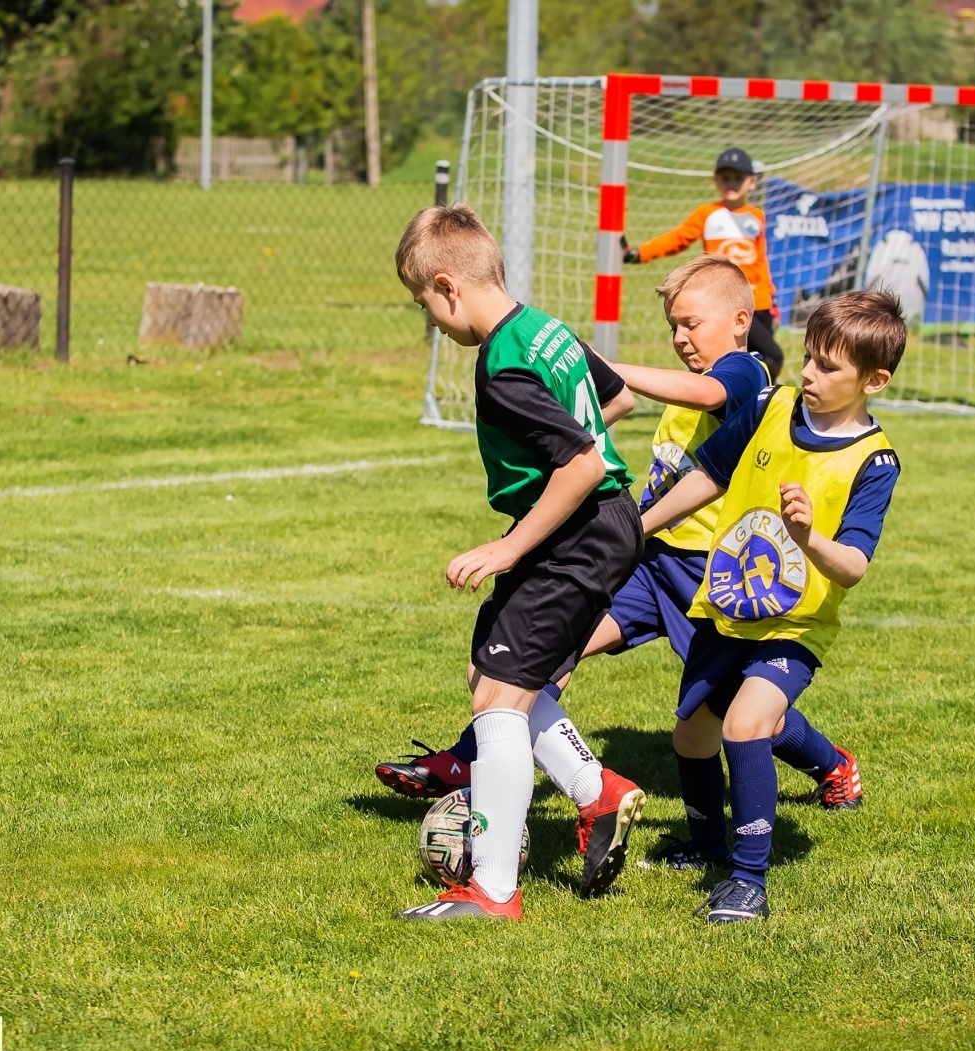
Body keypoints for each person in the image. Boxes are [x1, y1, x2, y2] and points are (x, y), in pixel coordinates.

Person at [377, 256, 862, 867]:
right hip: (650, 562)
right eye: (673, 328)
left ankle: (832, 764)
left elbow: (707, 393)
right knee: (555, 646)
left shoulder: (744, 372)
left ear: (741, 321)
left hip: (705, 574)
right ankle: (472, 754)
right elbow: (619, 410)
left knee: (738, 704)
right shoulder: (703, 373)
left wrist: (596, 363)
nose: (681, 339)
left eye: (692, 324)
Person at [391, 204, 646, 921]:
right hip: (597, 525)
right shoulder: (545, 328)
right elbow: (616, 396)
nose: (434, 323)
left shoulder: (501, 368)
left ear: (448, 286)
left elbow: (583, 464)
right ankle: (597, 789)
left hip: (579, 527)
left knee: (497, 703)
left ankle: (493, 889)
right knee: (491, 671)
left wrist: (509, 544)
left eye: (425, 307)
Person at [638, 290, 906, 923]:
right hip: (728, 608)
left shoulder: (874, 461)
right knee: (692, 734)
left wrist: (811, 537)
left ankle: (748, 881)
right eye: (809, 357)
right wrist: (640, 527)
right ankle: (705, 848)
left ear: (875, 380)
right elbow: (709, 473)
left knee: (746, 722)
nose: (809, 373)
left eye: (829, 367)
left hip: (795, 624)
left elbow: (855, 566)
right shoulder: (769, 404)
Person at [623, 147, 784, 379]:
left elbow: (760, 261)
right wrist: (640, 253)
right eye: (725, 178)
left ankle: (751, 407)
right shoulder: (707, 214)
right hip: (725, 300)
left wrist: (772, 300)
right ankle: (722, 398)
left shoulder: (757, 217)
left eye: (738, 178)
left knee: (754, 358)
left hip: (759, 304)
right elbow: (677, 239)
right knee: (770, 357)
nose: (731, 183)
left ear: (751, 182)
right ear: (716, 181)